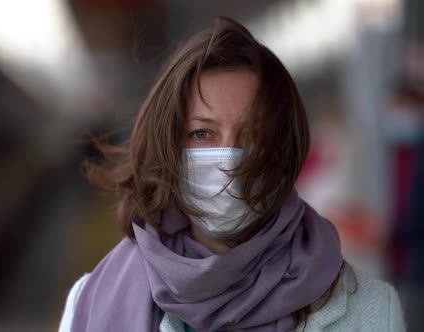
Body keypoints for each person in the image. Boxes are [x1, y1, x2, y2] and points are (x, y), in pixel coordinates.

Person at [59, 17, 405, 332]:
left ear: (285, 149)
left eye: (254, 135)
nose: (230, 159)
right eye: (202, 134)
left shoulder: (371, 311)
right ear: (166, 149)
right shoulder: (88, 302)